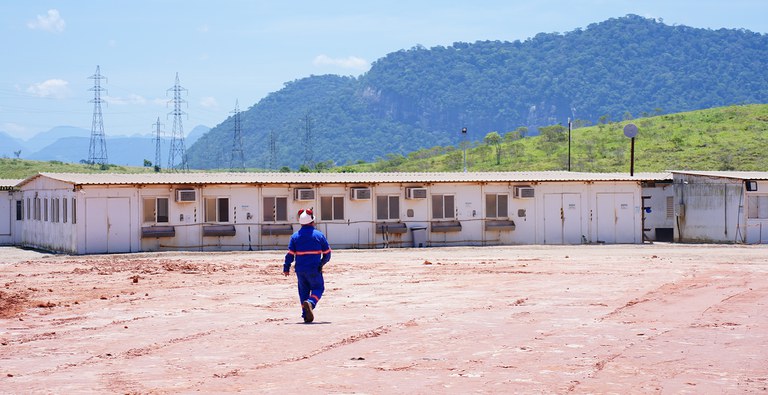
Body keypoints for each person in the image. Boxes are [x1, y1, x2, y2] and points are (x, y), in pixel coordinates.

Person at [282, 208, 331, 323]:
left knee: (303, 292)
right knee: (318, 288)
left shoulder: (295, 237)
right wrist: (321, 263)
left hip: (300, 270)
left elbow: (290, 255)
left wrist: (286, 267)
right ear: (312, 221)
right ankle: (311, 303)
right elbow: (327, 254)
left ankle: (305, 315)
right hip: (314, 269)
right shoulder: (319, 235)